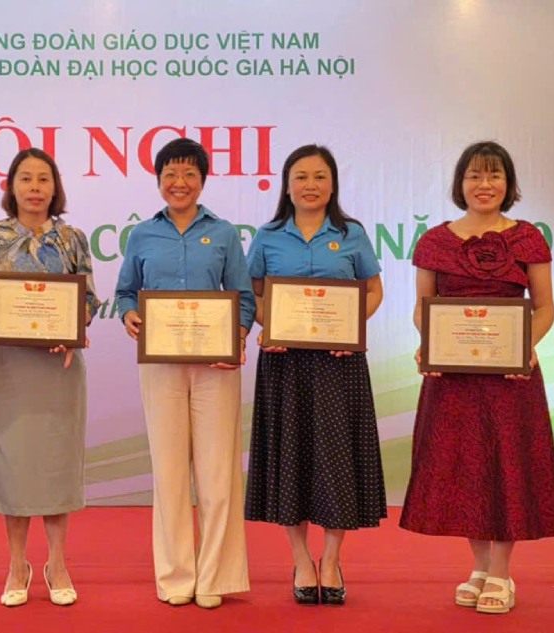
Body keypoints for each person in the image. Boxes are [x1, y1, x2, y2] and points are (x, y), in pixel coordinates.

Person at [399, 141, 554, 615]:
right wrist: (429, 343)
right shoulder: (434, 241)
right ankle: (479, 566)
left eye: (494, 175)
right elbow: (423, 308)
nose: (484, 184)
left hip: (511, 378)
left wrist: (523, 345)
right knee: (465, 468)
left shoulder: (528, 238)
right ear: (460, 184)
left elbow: (545, 308)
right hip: (453, 378)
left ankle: (502, 572)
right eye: (474, 175)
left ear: (508, 184)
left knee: (507, 465)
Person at [115, 138, 255, 609]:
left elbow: (244, 296)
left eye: (189, 174)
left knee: (218, 474)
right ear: (159, 181)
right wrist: (129, 314)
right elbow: (126, 292)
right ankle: (176, 576)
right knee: (170, 472)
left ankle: (214, 576)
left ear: (203, 180)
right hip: (161, 366)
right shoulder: (142, 235)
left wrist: (237, 336)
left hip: (216, 366)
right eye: (171, 174)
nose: (180, 183)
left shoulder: (225, 233)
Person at [244, 144, 387, 605]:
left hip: (339, 363)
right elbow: (253, 294)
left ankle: (332, 559)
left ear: (333, 184)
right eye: (301, 177)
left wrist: (351, 328)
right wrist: (269, 326)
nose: (311, 185)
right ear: (287, 186)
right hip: (285, 362)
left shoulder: (351, 234)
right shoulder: (268, 236)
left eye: (320, 176)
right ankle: (301, 558)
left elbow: (373, 291)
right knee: (292, 459)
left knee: (337, 460)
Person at [0, 148, 101, 607]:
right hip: (6, 367)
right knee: (14, 466)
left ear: (55, 187)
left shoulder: (72, 238)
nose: (35, 188)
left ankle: (57, 563)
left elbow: (89, 300)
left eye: (43, 179)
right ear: (11, 186)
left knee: (56, 463)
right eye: (26, 178)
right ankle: (17, 564)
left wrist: (74, 328)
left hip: (57, 368)